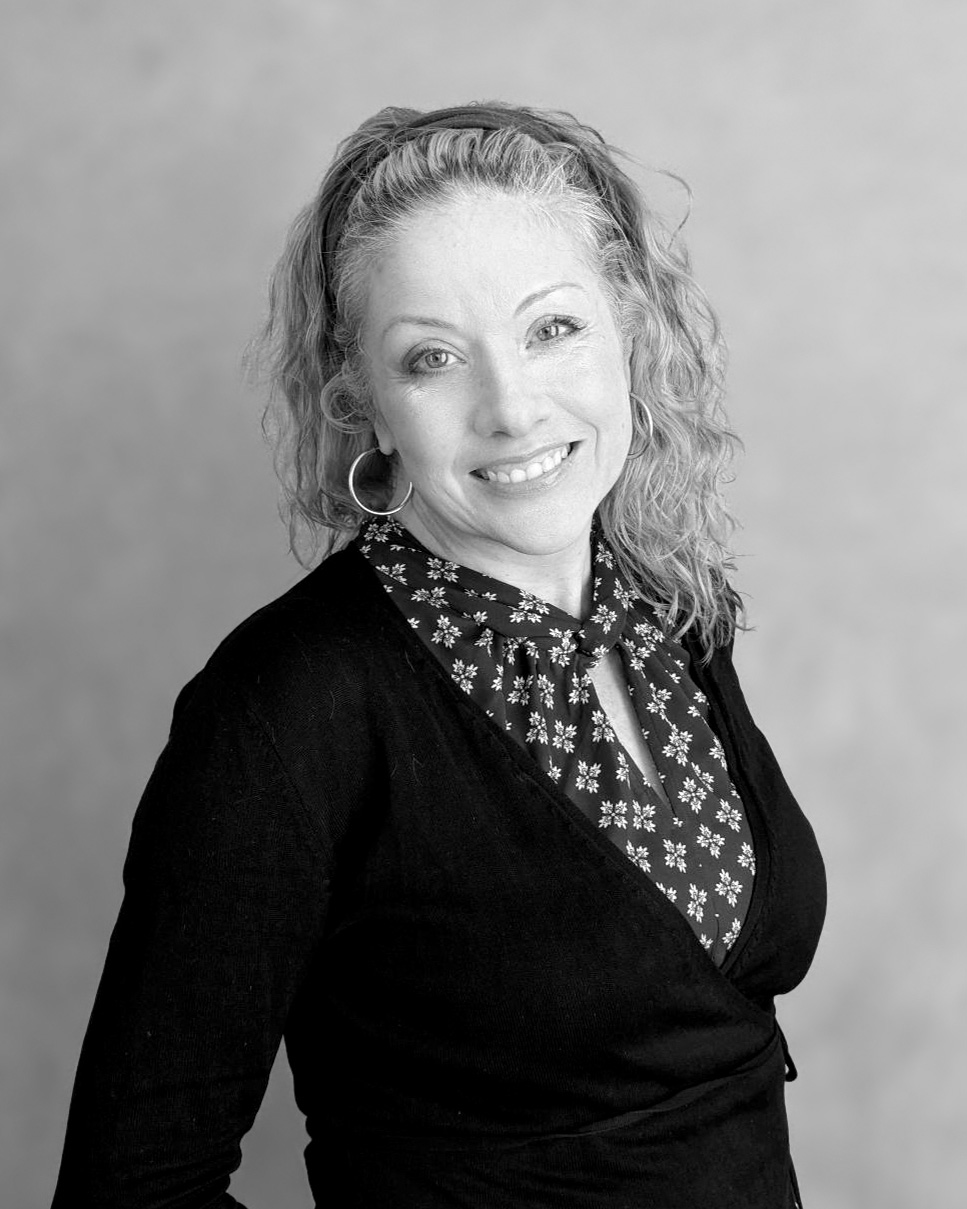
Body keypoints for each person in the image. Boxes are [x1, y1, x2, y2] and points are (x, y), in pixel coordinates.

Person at [51, 103, 826, 1208]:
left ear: (627, 331)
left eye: (552, 329)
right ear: (364, 403)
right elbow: (135, 1187)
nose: (511, 408)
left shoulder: (667, 606)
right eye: (433, 359)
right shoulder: (287, 708)